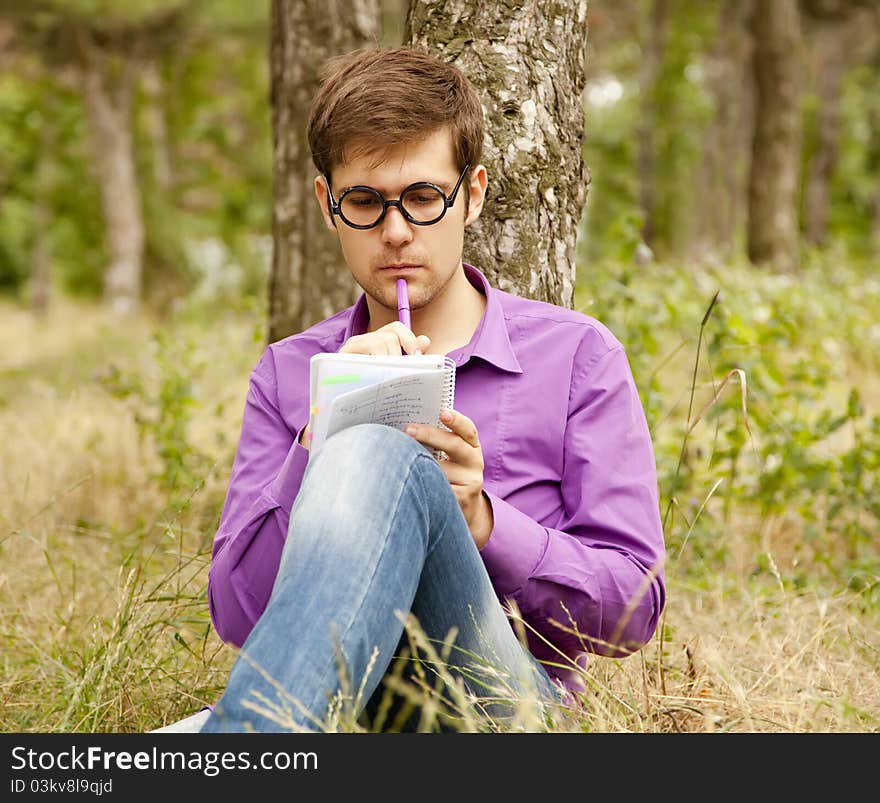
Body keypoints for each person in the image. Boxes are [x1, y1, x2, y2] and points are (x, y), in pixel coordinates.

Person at [196, 46, 666, 733]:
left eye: (422, 198)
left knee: (380, 454)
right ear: (328, 205)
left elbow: (634, 609)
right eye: (365, 201)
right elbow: (238, 616)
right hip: (342, 708)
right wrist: (322, 433)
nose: (395, 232)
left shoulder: (577, 356)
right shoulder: (289, 372)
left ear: (471, 194)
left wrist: (484, 521)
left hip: (506, 710)